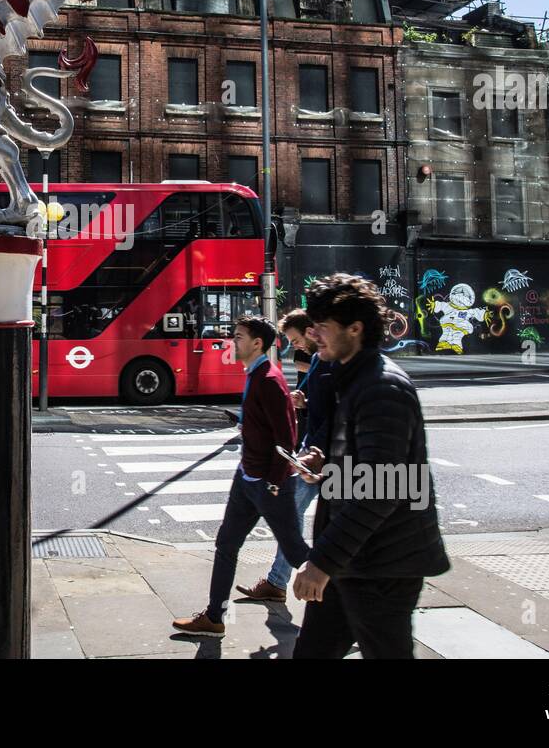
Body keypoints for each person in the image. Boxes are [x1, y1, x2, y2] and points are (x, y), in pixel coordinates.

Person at [289, 273, 450, 659]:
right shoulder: (354, 378)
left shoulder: (382, 387)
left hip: (383, 565)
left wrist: (322, 561)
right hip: (356, 558)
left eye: (323, 327)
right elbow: (367, 467)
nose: (314, 336)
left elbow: (382, 489)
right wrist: (325, 464)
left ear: (355, 329)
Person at [171, 315, 308, 638]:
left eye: (239, 337)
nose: (233, 342)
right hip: (246, 478)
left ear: (257, 343)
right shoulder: (254, 375)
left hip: (267, 482)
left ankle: (350, 601)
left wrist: (274, 481)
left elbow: (287, 438)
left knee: (296, 550)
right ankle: (215, 617)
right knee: (226, 544)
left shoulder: (269, 380)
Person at [236, 308, 331, 602]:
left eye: (298, 339)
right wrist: (302, 401)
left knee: (292, 517)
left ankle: (295, 580)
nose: (297, 345)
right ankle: (282, 581)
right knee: (293, 517)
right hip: (312, 450)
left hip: (322, 455)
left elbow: (335, 410)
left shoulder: (329, 363)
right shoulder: (316, 359)